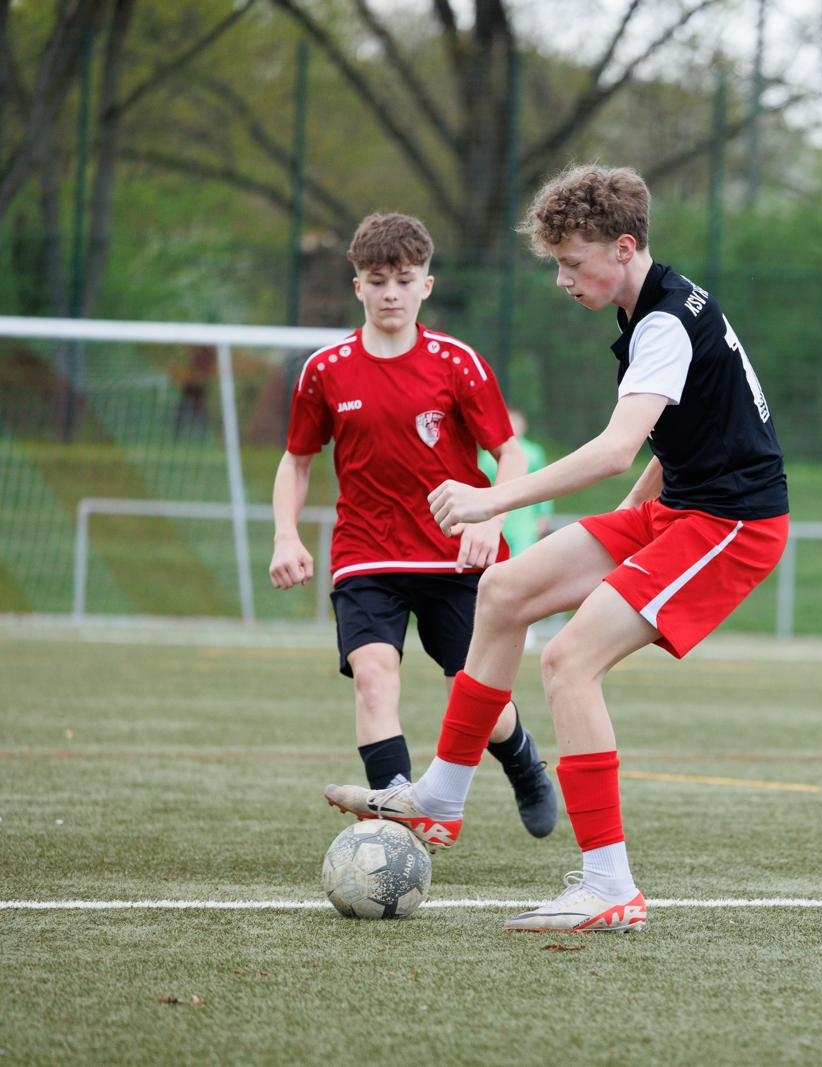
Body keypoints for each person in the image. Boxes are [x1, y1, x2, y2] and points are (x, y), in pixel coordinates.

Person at [323, 166, 789, 933]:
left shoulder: (665, 323)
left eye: (573, 263)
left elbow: (615, 448)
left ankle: (609, 885)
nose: (564, 279)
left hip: (732, 527)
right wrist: (629, 522)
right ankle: (441, 797)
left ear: (624, 247)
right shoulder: (657, 308)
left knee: (568, 661)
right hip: (677, 511)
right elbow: (689, 433)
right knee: (503, 591)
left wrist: (492, 498)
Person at [269, 211, 557, 841]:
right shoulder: (325, 369)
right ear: (358, 287)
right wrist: (286, 535)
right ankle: (399, 817)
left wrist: (491, 515)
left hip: (455, 555)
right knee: (374, 678)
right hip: (366, 553)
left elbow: (509, 453)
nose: (391, 293)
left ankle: (523, 761)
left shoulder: (458, 363)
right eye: (377, 281)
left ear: (426, 285)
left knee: (479, 698)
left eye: (404, 280)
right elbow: (297, 461)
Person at [478, 408, 555, 556]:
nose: (513, 427)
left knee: (522, 559)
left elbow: (544, 484)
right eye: (509, 422)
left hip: (524, 521)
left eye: (516, 423)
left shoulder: (534, 452)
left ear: (524, 426)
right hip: (496, 520)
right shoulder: (487, 454)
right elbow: (481, 486)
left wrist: (544, 514)